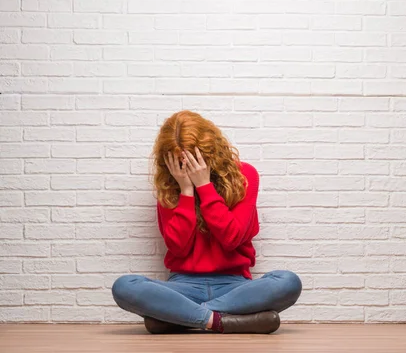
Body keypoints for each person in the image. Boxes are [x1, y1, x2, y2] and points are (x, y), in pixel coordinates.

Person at [111, 110, 302, 334]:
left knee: (288, 282)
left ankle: (178, 316)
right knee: (124, 286)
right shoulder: (170, 186)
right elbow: (178, 248)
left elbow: (231, 238)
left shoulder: (245, 175)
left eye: (195, 161)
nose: (189, 168)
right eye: (182, 163)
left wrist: (204, 186)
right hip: (182, 286)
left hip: (235, 286)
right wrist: (185, 191)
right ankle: (218, 321)